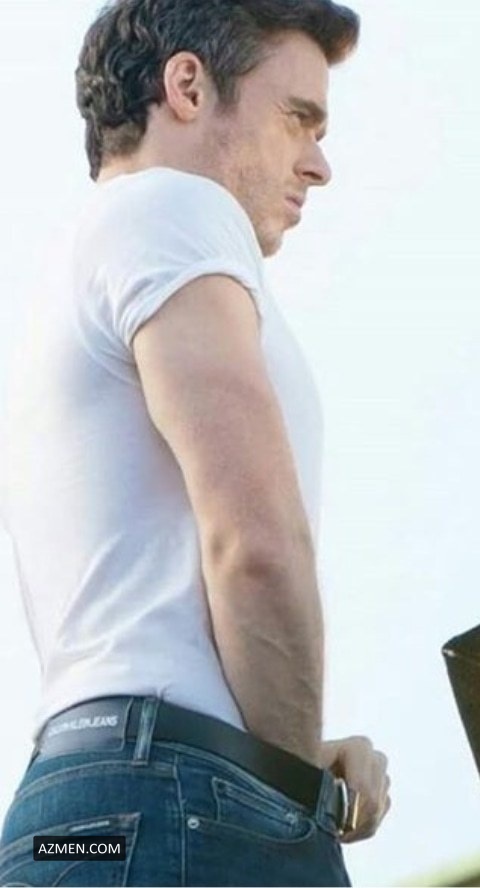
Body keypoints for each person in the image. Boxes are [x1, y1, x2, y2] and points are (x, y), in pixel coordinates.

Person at [0, 1, 391, 885]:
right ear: (187, 86)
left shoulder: (64, 280)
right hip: (166, 798)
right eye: (298, 117)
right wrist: (294, 798)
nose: (319, 164)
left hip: (72, 821)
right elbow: (254, 545)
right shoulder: (173, 206)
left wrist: (293, 748)